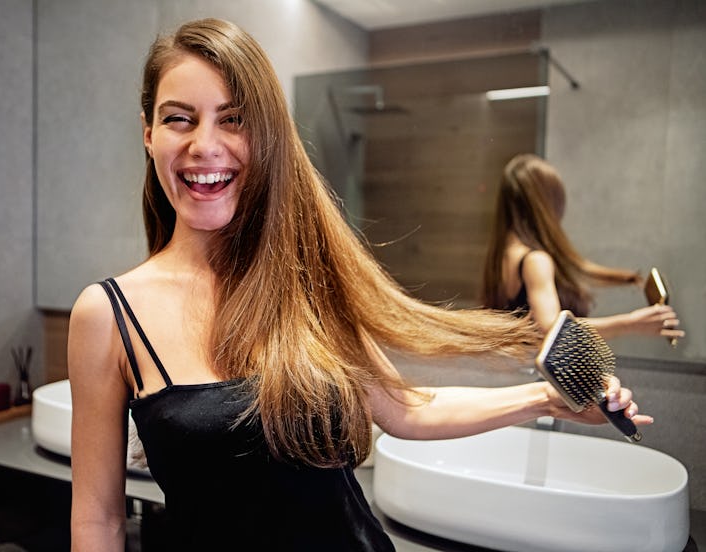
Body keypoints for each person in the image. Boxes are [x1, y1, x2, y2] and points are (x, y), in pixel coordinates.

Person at [68, 19, 652, 552]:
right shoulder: (107, 316)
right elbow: (97, 517)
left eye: (233, 118)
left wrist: (550, 399)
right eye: (179, 118)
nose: (206, 146)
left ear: (266, 136)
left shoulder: (303, 283)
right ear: (148, 133)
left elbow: (408, 411)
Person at [482, 153, 685, 341]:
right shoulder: (536, 260)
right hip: (541, 373)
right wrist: (630, 323)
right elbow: (550, 328)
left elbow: (576, 267)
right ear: (548, 202)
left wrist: (627, 278)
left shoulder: (502, 256)